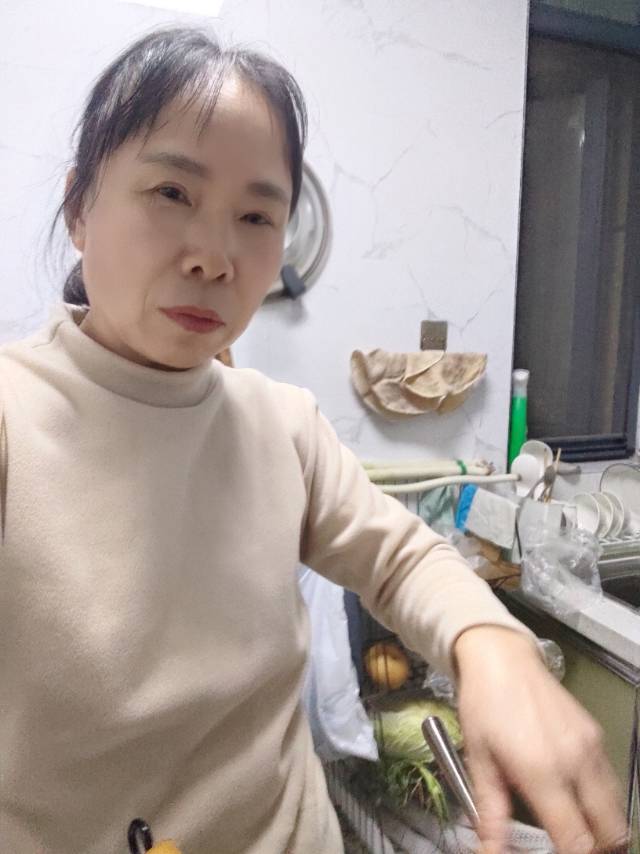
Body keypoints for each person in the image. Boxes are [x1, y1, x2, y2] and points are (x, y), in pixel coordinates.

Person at [0, 27, 626, 854]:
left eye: (257, 216)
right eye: (171, 193)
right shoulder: (15, 416)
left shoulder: (281, 424)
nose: (215, 257)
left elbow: (399, 557)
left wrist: (490, 645)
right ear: (80, 207)